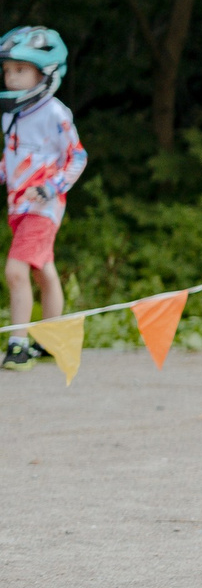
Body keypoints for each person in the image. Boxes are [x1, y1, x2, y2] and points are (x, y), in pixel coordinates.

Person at [1, 26, 84, 372]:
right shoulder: (10, 115)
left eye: (21, 70)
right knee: (43, 272)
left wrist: (53, 188)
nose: (11, 78)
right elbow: (11, 159)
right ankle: (51, 338)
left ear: (44, 72)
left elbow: (77, 157)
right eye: (7, 70)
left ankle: (18, 343)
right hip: (18, 205)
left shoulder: (55, 113)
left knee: (16, 271)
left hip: (44, 206)